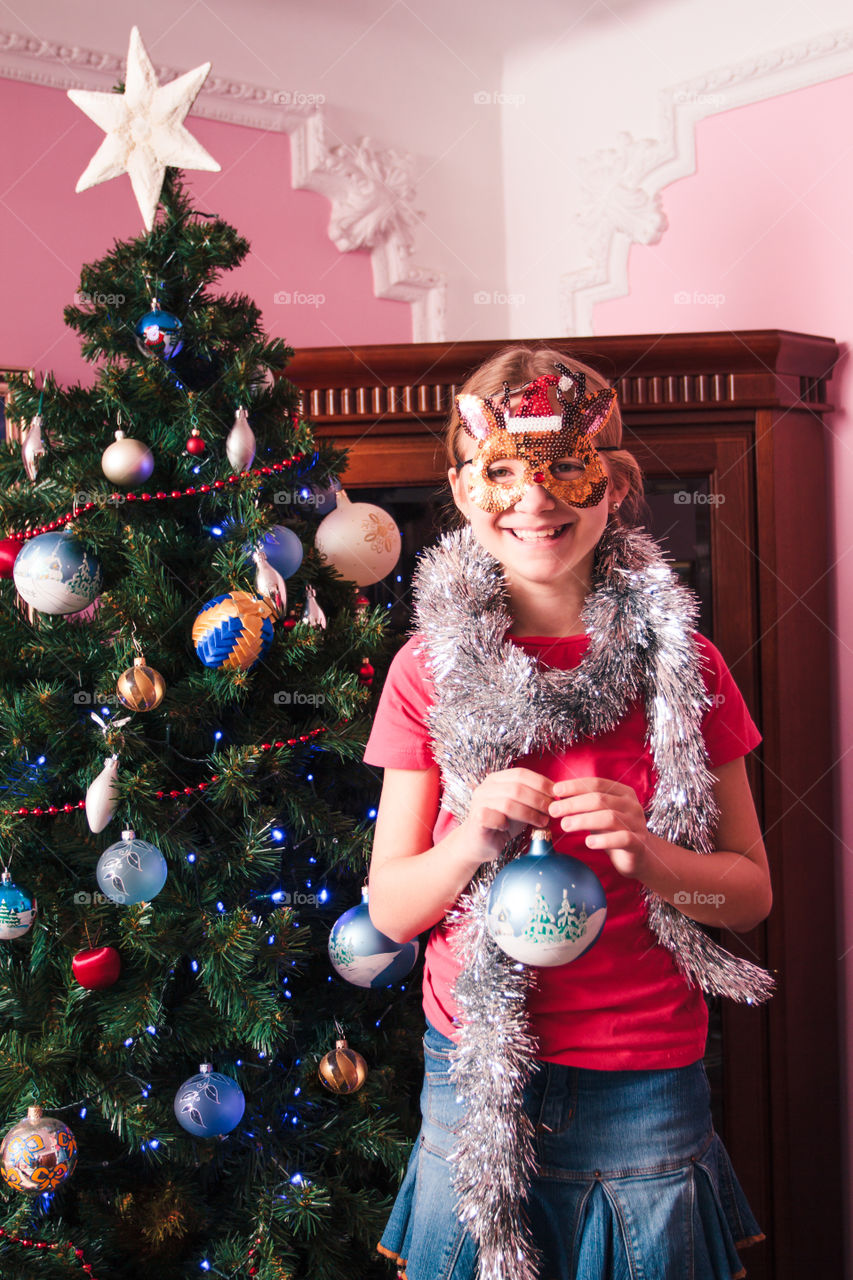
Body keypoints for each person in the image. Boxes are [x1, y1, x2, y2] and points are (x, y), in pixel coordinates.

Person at [364, 344, 772, 1280]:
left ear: (614, 485)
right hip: (473, 1075)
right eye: (502, 470)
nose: (535, 499)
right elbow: (390, 911)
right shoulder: (425, 673)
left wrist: (652, 859)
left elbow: (746, 897)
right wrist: (471, 839)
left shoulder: (686, 668)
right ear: (466, 491)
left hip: (643, 1075)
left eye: (565, 468)